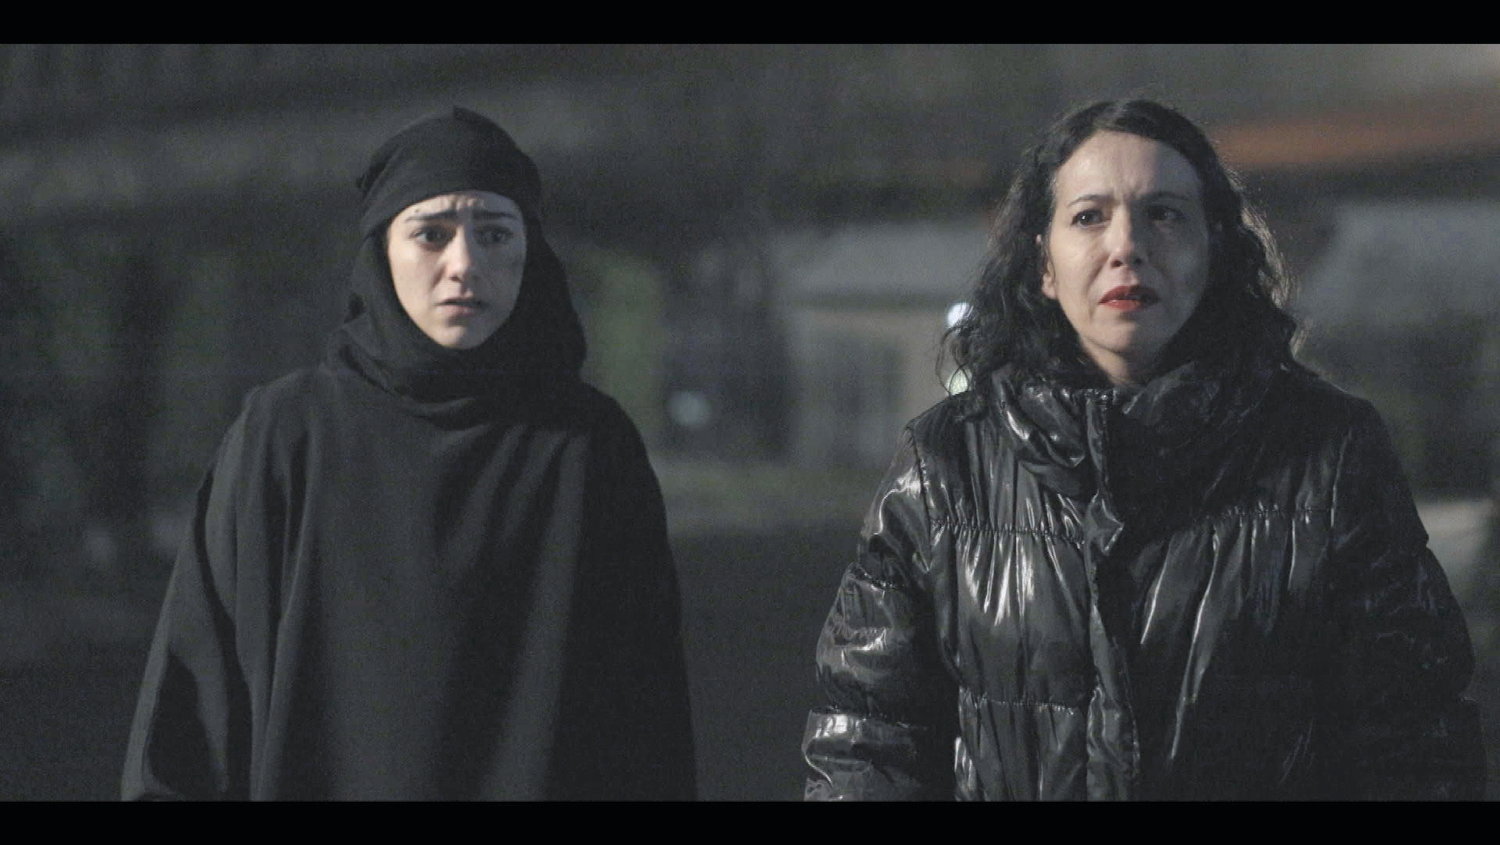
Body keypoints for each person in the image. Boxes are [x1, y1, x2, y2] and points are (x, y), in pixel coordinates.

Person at [801, 99, 1483, 800]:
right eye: (1089, 217)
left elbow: (1414, 733)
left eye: (1164, 214)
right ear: (1043, 263)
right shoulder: (945, 466)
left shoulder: (1326, 453)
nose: (1126, 245)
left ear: (1214, 247)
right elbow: (868, 739)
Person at [122, 107, 696, 800]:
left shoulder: (588, 450)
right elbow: (191, 710)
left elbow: (645, 728)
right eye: (431, 234)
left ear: (530, 251)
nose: (464, 265)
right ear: (381, 250)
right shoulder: (286, 437)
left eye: (494, 233)